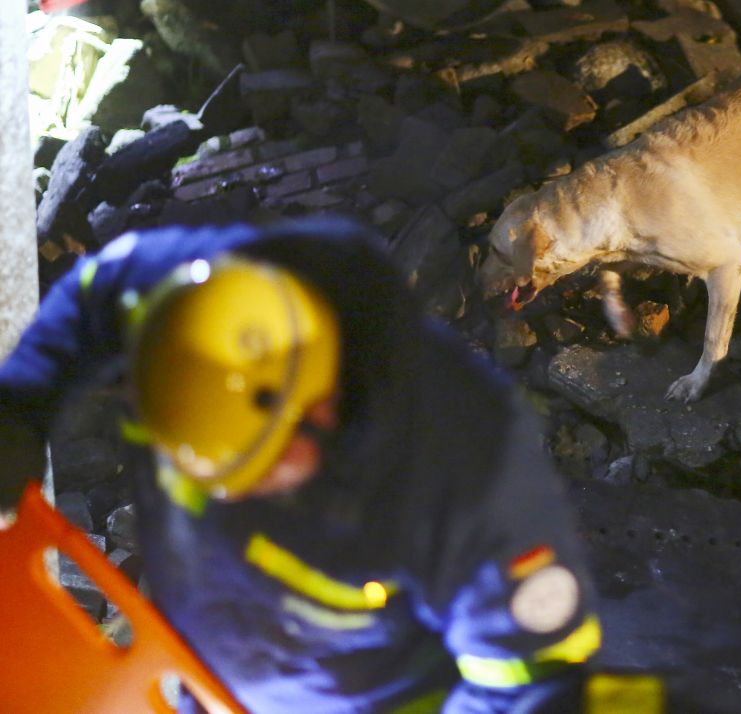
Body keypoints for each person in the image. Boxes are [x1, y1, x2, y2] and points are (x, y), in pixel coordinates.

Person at [0, 217, 602, 713]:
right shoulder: (195, 300)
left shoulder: (468, 470)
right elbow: (94, 289)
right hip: (198, 668)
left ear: (321, 410)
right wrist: (19, 409)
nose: (222, 496)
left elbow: (532, 685)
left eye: (246, 470)